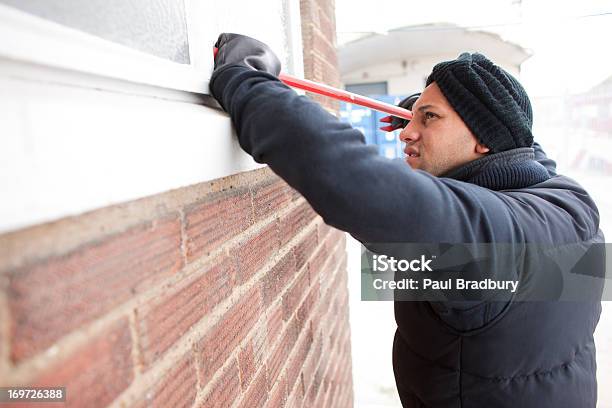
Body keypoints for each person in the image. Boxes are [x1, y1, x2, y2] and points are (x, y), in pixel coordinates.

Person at [209, 33, 604, 407]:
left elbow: (351, 180)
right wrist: (432, 116)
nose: (406, 133)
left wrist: (244, 83)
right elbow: (515, 135)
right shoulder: (567, 197)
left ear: (484, 140)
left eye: (428, 118)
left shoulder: (485, 241)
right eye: (412, 117)